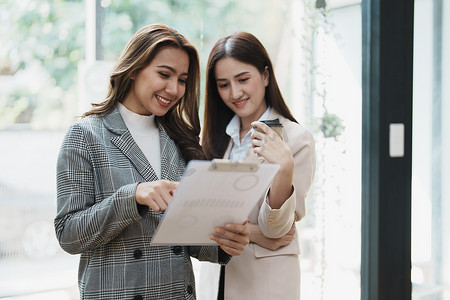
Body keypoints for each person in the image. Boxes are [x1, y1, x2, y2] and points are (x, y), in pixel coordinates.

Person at [54, 24, 250, 300]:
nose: (174, 89)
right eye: (164, 74)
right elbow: (68, 235)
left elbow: (186, 239)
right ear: (134, 68)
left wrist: (224, 242)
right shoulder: (86, 136)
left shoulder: (179, 138)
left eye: (182, 79)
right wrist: (131, 197)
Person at [200, 32, 316, 299]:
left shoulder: (297, 140)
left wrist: (285, 166)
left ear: (265, 76)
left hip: (264, 284)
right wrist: (254, 233)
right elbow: (199, 216)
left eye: (243, 79)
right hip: (215, 279)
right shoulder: (213, 141)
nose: (235, 93)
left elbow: (276, 229)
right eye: (223, 84)